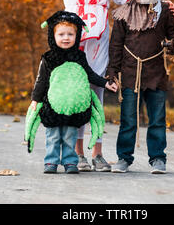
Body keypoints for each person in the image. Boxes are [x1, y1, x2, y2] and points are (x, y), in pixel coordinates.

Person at [50, 0, 174, 172]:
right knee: (77, 97)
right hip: (74, 46)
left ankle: (97, 153)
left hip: (100, 45)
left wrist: (162, 3)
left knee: (96, 97)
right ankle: (77, 154)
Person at [107, 0, 174, 174]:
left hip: (156, 73)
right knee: (129, 119)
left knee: (158, 119)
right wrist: (112, 72)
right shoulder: (122, 13)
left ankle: (158, 158)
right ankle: (124, 158)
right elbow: (116, 45)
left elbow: (173, 38)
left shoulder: (164, 10)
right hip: (130, 73)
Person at [29, 10, 117, 174]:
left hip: (73, 106)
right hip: (53, 104)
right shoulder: (48, 58)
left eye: (70, 34)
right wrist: (35, 99)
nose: (66, 38)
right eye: (61, 34)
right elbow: (41, 80)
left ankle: (70, 161)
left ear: (77, 36)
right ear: (53, 36)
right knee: (53, 135)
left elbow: (89, 74)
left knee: (70, 135)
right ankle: (51, 161)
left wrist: (105, 84)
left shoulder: (79, 56)